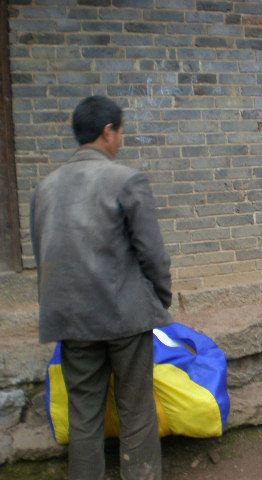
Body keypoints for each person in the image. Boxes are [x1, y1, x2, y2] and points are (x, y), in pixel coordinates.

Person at [30, 96, 172, 480]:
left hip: (70, 318)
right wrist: (159, 298)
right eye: (121, 131)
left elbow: (43, 255)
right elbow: (152, 253)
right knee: (136, 410)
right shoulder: (125, 180)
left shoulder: (44, 188)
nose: (121, 139)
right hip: (124, 313)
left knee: (84, 414)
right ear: (108, 131)